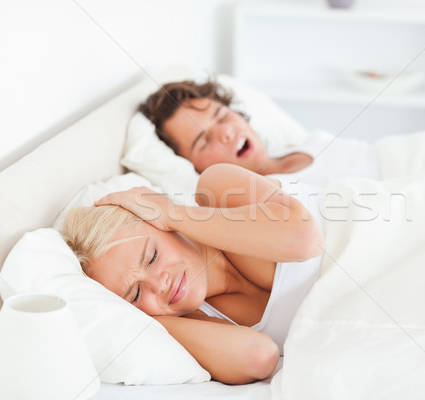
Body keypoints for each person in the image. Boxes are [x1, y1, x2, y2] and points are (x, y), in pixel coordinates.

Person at [63, 163, 325, 384]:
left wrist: (173, 213)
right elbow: (258, 356)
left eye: (152, 257)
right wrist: (150, 318)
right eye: (136, 293)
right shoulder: (201, 321)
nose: (159, 284)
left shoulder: (218, 191)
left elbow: (306, 240)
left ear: (160, 222)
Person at [138, 80, 380, 188]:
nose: (225, 132)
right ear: (191, 166)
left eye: (222, 116)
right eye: (204, 141)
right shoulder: (266, 205)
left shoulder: (312, 141)